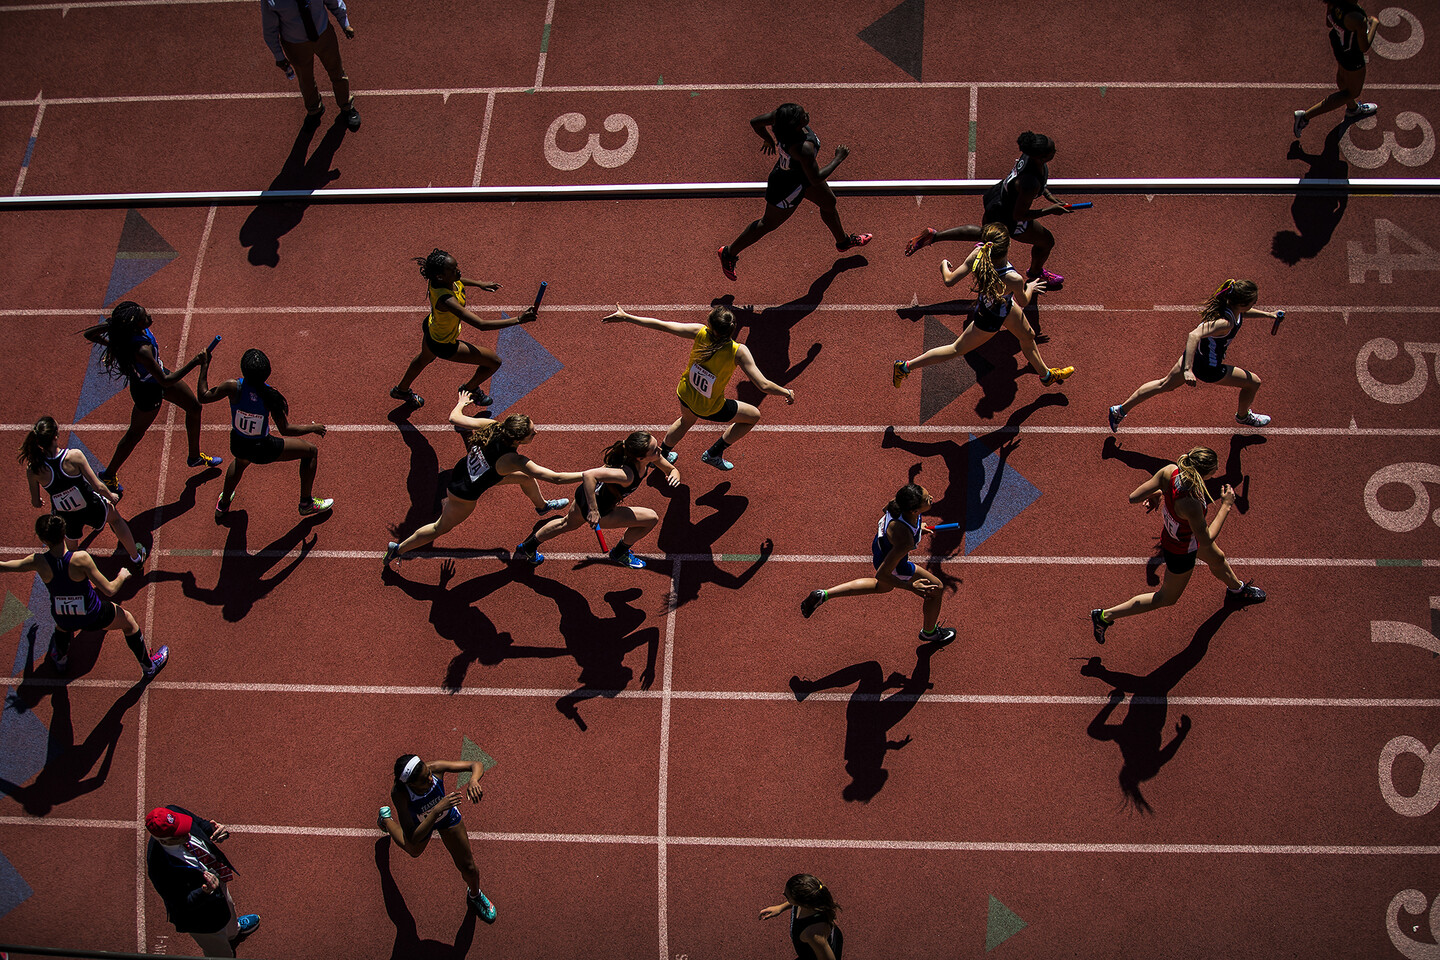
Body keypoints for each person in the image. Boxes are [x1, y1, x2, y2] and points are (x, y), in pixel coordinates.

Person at [1090, 447, 1265, 644]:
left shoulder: (1169, 471)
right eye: (1214, 471)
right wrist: (1226, 505)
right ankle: (1105, 616)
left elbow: (1134, 498)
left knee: (1218, 558)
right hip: (1182, 550)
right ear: (1203, 474)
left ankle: (1237, 590)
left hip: (1177, 537)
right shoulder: (1191, 503)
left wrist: (1158, 492)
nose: (1216, 473)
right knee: (1165, 598)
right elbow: (1206, 539)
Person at [383, 394, 580, 566]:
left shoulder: (494, 426)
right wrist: (589, 474)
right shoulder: (513, 460)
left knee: (526, 478)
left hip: (468, 473)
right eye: (532, 432)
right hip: (463, 494)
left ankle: (542, 506)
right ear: (517, 440)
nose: (536, 432)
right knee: (438, 528)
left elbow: (454, 418)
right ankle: (398, 549)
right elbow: (556, 478)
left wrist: (461, 403)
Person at [602, 304, 794, 471]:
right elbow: (763, 385)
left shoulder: (700, 332)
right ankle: (714, 453)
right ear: (732, 329)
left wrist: (627, 317)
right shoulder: (738, 351)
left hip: (685, 392)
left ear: (710, 324)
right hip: (710, 407)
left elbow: (662, 325)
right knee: (753, 416)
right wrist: (786, 391)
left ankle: (663, 454)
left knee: (686, 421)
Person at [892, 223, 1074, 390]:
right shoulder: (1013, 278)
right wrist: (1030, 288)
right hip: (990, 319)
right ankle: (906, 366)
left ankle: (1046, 375)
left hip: (1000, 306)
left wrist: (943, 266)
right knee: (956, 349)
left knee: (1028, 336)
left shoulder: (978, 255)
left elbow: (949, 280)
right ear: (1007, 247)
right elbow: (1025, 302)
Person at [81, 301, 222, 498]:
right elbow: (165, 382)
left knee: (194, 407)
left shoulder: (130, 333)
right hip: (148, 390)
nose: (150, 317)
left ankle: (194, 457)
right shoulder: (142, 350)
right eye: (145, 317)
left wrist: (114, 336)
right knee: (135, 434)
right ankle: (108, 474)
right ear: (135, 325)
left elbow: (91, 334)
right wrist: (196, 362)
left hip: (156, 375)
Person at [717, 103, 871, 281]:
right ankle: (728, 253)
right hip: (787, 187)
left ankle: (843, 242)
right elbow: (816, 178)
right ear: (795, 125)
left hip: (800, 176)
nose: (806, 113)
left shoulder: (780, 117)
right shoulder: (802, 149)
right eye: (803, 116)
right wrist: (838, 157)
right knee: (767, 224)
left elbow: (755, 123)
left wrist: (767, 138)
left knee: (829, 203)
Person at [0, 515, 167, 677]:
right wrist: (122, 576)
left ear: (43, 540)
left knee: (62, 626)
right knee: (129, 622)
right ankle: (149, 666)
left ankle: (60, 658)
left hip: (62, 616)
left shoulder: (37, 561)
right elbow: (109, 590)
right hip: (93, 616)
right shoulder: (80, 559)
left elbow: (5, 567)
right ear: (65, 533)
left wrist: (30, 645)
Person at [1107, 279, 1283, 431]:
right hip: (1208, 368)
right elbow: (1194, 335)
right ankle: (1243, 416)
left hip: (1196, 356)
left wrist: (1269, 315)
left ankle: (1119, 411)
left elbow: (1243, 314)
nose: (1253, 306)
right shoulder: (1225, 323)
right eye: (1252, 303)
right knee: (1254, 383)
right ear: (1242, 304)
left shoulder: (1232, 310)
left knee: (1164, 384)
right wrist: (1188, 370)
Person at [905, 131, 1071, 289]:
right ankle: (1035, 273)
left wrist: (1049, 197)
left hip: (998, 199)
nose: (1055, 151)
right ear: (1040, 157)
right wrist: (1051, 210)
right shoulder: (1029, 183)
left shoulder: (1029, 156)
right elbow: (1020, 215)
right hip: (1008, 215)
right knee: (1046, 241)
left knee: (985, 234)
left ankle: (935, 236)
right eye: (1051, 151)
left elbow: (1039, 183)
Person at [800, 482, 956, 645]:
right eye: (926, 499)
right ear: (914, 510)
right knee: (936, 588)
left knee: (881, 587)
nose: (931, 498)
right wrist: (911, 586)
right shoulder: (905, 541)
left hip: (880, 549)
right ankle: (929, 633)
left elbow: (890, 516)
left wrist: (919, 528)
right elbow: (882, 573)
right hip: (894, 564)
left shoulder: (897, 503)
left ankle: (823, 595)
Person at [389, 248, 538, 410]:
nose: (458, 271)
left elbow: (458, 281)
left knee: (423, 359)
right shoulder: (446, 300)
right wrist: (518, 320)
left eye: (456, 266)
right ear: (440, 276)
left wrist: (479, 284)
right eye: (453, 270)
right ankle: (470, 389)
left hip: (432, 328)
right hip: (444, 343)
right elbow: (481, 325)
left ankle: (401, 391)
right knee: (493, 362)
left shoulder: (439, 280)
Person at [198, 348, 333, 521]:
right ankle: (306, 503)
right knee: (311, 451)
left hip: (238, 444)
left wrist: (204, 365)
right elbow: (286, 429)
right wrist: (312, 428)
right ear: (267, 372)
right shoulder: (271, 395)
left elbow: (203, 396)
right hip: (264, 448)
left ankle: (223, 504)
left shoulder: (233, 386)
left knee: (240, 463)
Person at [514, 430, 681, 569]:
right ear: (640, 458)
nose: (659, 450)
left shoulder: (643, 455)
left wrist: (674, 475)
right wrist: (593, 511)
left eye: (657, 446)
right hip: (600, 510)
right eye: (654, 450)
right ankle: (620, 552)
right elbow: (589, 475)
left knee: (566, 524)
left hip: (585, 496)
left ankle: (528, 546)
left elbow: (671, 469)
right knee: (651, 518)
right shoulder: (626, 475)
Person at [379, 754, 497, 922]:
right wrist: (435, 810)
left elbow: (475, 764)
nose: (430, 779)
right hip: (422, 823)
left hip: (447, 817)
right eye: (424, 780)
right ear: (411, 784)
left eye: (428, 773)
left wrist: (473, 780)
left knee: (469, 867)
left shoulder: (435, 768)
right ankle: (386, 820)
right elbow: (413, 837)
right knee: (413, 850)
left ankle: (475, 895)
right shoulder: (400, 793)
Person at [19, 416, 147, 566]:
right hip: (90, 505)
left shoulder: (33, 470)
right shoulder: (74, 456)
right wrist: (111, 495)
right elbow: (97, 486)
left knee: (72, 549)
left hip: (65, 516)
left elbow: (35, 502)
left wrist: (39, 501)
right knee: (116, 520)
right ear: (56, 436)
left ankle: (78, 574)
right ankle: (136, 558)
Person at [145, 805, 259, 957]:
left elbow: (199, 823)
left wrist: (215, 830)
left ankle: (233, 931)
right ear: (165, 841)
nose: (188, 833)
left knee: (229, 908)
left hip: (216, 883)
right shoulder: (159, 868)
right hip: (201, 917)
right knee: (218, 950)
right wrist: (205, 892)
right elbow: (179, 905)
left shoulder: (173, 812)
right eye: (180, 834)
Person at [261, 0, 361, 130]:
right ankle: (314, 110)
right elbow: (270, 28)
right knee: (305, 79)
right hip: (295, 44)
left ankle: (346, 106)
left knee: (337, 71)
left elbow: (334, 2)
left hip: (323, 35)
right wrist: (279, 56)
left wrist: (344, 23)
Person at [1293, 1, 1381, 138]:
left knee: (1342, 80)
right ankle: (1305, 116)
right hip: (1353, 57)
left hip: (1340, 48)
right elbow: (1364, 47)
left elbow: (1329, 23)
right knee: (1352, 92)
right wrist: (1374, 24)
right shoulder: (1358, 19)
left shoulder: (1334, 3)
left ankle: (1352, 109)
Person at [758, 874, 843, 960]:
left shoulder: (812, 934)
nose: (782, 893)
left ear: (802, 902)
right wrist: (781, 908)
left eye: (787, 897)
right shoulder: (810, 902)